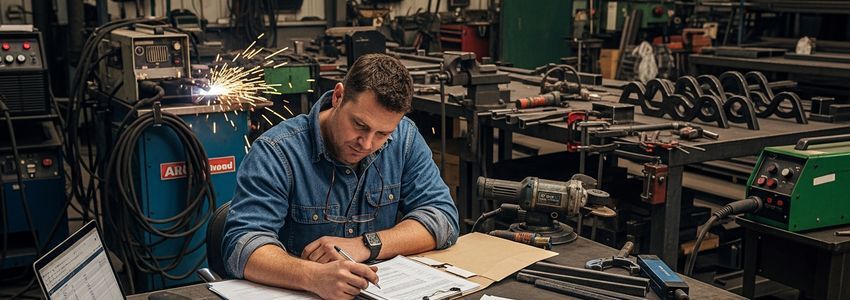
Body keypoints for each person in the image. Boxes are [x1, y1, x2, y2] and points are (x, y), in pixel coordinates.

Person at [222, 53, 459, 299]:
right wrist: (312, 276)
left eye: (382, 134)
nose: (367, 144)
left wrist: (366, 245)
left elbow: (442, 218)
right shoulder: (278, 152)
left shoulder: (404, 140)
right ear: (338, 96)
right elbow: (242, 246)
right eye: (360, 125)